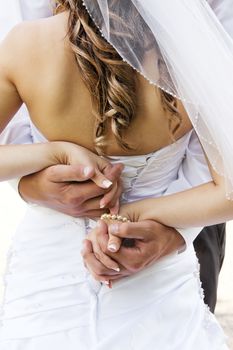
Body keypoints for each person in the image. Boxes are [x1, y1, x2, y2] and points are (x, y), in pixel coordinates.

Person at [0, 0, 231, 349]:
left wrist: (51, 153)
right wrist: (140, 214)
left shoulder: (26, 44)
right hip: (152, 277)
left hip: (48, 281)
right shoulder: (193, 53)